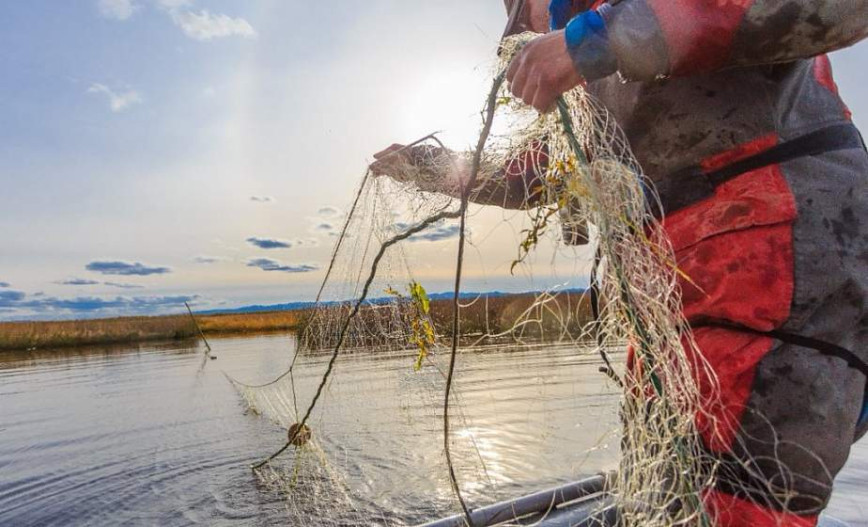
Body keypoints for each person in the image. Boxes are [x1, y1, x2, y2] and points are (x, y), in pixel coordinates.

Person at [371, 1, 868, 525]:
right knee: (666, 492)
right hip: (679, 298)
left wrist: (596, 37)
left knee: (732, 506)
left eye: (524, 11)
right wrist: (429, 166)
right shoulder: (596, 84)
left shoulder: (610, 30)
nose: (522, 31)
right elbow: (543, 171)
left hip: (778, 257)